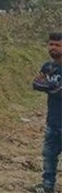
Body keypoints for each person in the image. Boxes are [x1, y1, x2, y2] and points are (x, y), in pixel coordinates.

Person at [33, 32, 62, 193]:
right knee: (49, 156)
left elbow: (58, 91)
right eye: (51, 44)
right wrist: (52, 88)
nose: (53, 48)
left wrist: (48, 86)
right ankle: (47, 186)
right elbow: (35, 83)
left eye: (57, 45)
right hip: (53, 121)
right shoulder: (48, 67)